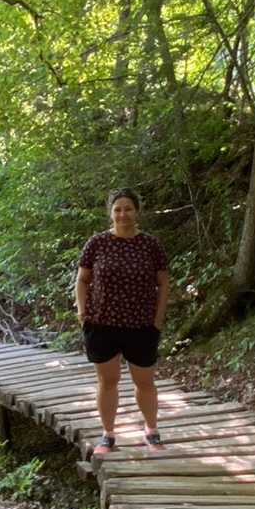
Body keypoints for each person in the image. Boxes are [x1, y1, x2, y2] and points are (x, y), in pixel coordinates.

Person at [75, 188, 170, 455]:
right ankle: (108, 434)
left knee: (145, 382)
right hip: (101, 324)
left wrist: (158, 318)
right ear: (110, 212)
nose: (123, 214)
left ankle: (151, 430)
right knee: (107, 381)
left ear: (137, 211)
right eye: (117, 209)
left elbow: (163, 284)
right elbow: (82, 280)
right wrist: (82, 312)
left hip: (141, 324)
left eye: (128, 208)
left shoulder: (150, 245)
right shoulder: (97, 243)